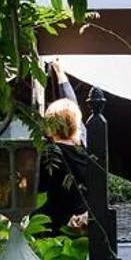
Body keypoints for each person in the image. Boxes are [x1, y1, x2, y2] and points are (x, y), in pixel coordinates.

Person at [37, 97, 92, 234]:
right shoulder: (87, 154)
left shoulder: (50, 153)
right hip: (82, 225)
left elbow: (38, 190)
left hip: (52, 227)